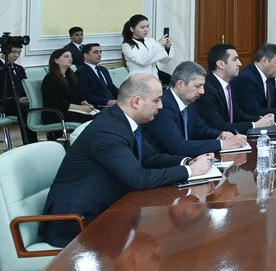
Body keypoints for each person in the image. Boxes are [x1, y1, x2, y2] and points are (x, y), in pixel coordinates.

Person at [40, 74, 215, 248]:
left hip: (107, 208)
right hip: (77, 221)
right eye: (156, 100)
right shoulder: (108, 131)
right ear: (136, 102)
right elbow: (140, 178)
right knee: (165, 233)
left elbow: (151, 157)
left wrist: (188, 162)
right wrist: (191, 171)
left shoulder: (121, 121)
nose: (161, 106)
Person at [144, 61, 246, 157]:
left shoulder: (189, 102)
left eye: (203, 86)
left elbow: (201, 130)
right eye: (198, 86)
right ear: (180, 84)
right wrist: (222, 144)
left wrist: (220, 135)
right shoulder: (163, 107)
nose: (202, 91)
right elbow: (179, 147)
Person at [194, 43, 274, 134]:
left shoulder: (229, 84)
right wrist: (254, 125)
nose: (240, 64)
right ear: (221, 64)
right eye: (235, 59)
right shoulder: (207, 89)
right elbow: (218, 126)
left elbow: (237, 114)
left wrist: (261, 119)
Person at [231, 43, 276, 119]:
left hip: (267, 121)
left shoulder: (270, 75)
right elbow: (254, 111)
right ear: (264, 61)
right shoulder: (246, 79)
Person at [41, 47, 97, 126]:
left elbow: (79, 94)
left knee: (99, 114)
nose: (70, 59)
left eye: (71, 57)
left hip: (71, 110)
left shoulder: (70, 75)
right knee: (90, 117)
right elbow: (57, 102)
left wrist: (86, 104)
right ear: (56, 60)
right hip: (56, 113)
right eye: (66, 56)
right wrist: (81, 108)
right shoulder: (50, 78)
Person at [120, 14, 171, 81]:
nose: (146, 30)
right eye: (142, 27)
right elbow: (143, 61)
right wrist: (158, 44)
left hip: (154, 78)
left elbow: (164, 60)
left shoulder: (151, 41)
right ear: (132, 29)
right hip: (138, 80)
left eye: (147, 26)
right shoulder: (127, 46)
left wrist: (167, 48)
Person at [1, 43, 32, 143]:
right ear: (4, 51)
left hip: (20, 102)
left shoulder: (19, 68)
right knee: (26, 109)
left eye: (19, 52)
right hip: (5, 103)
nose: (16, 55)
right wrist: (17, 100)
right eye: (13, 52)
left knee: (35, 105)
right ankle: (30, 142)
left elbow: (25, 88)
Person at [76, 43, 119, 107]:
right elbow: (87, 95)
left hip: (114, 103)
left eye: (100, 52)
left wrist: (124, 96)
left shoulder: (103, 69)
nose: (99, 55)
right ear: (85, 55)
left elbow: (112, 88)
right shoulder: (81, 72)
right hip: (100, 106)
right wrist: (107, 102)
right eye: (95, 52)